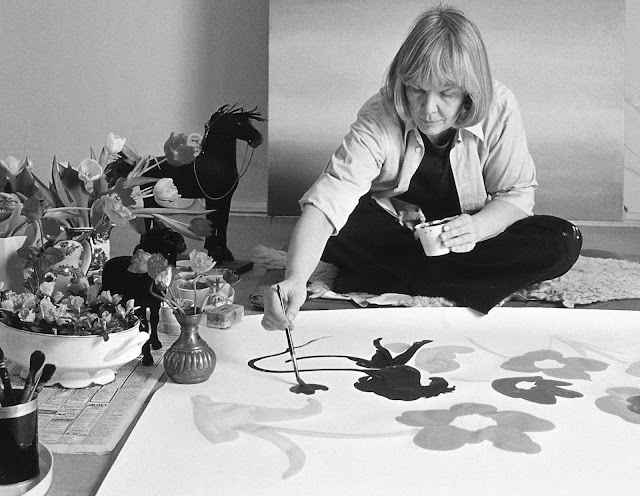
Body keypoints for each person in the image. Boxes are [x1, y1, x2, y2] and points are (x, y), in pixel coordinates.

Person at [261, 5, 582, 331]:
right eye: (417, 89)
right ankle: (461, 282)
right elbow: (330, 198)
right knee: (339, 227)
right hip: (394, 233)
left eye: (446, 93)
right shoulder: (379, 114)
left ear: (469, 92)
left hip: (469, 236)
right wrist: (295, 279)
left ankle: (396, 277)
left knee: (561, 241)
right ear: (403, 83)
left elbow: (516, 195)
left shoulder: (500, 106)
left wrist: (475, 228)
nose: (429, 109)